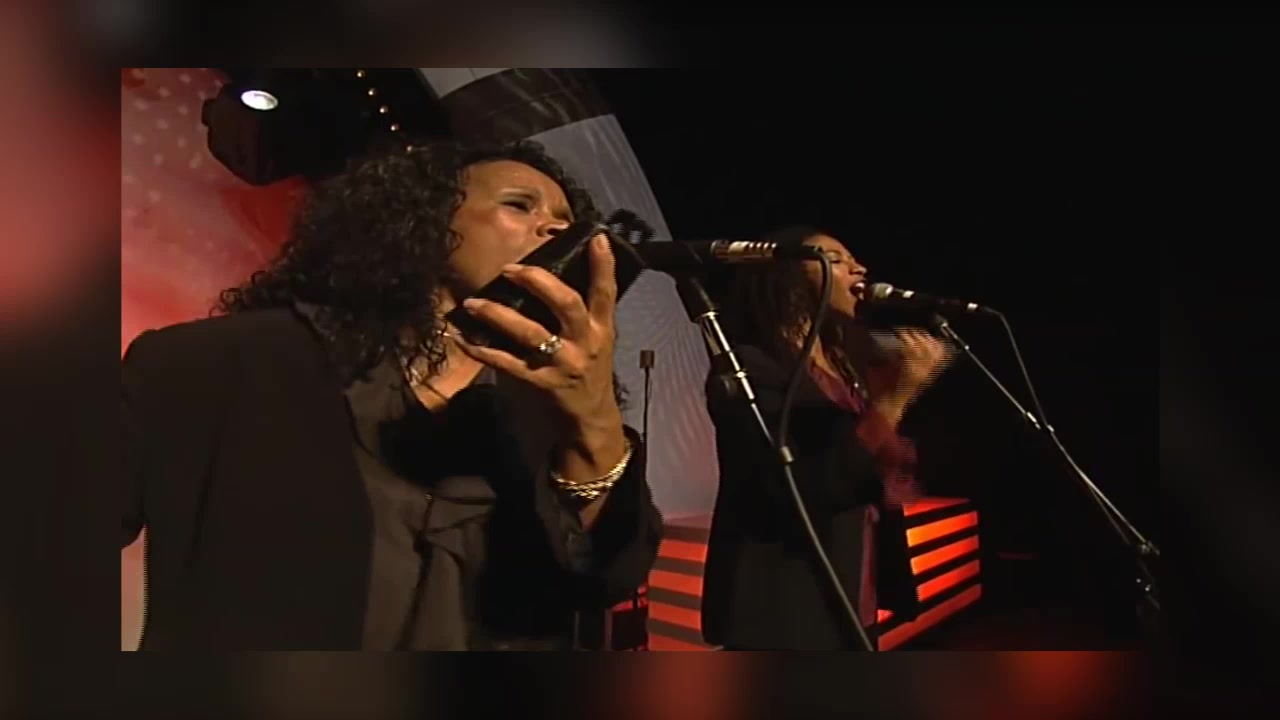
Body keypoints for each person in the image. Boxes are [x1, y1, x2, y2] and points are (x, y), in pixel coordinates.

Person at [121, 138, 662, 650]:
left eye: (566, 221)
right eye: (520, 205)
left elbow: (603, 578)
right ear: (423, 221)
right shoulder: (216, 364)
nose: (555, 228)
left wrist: (594, 416)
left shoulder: (547, 405)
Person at [700, 224, 953, 650]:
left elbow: (867, 461)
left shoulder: (846, 363)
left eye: (853, 258)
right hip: (787, 602)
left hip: (852, 585)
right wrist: (896, 399)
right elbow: (793, 491)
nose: (859, 268)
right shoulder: (749, 369)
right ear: (786, 280)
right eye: (835, 260)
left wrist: (892, 444)